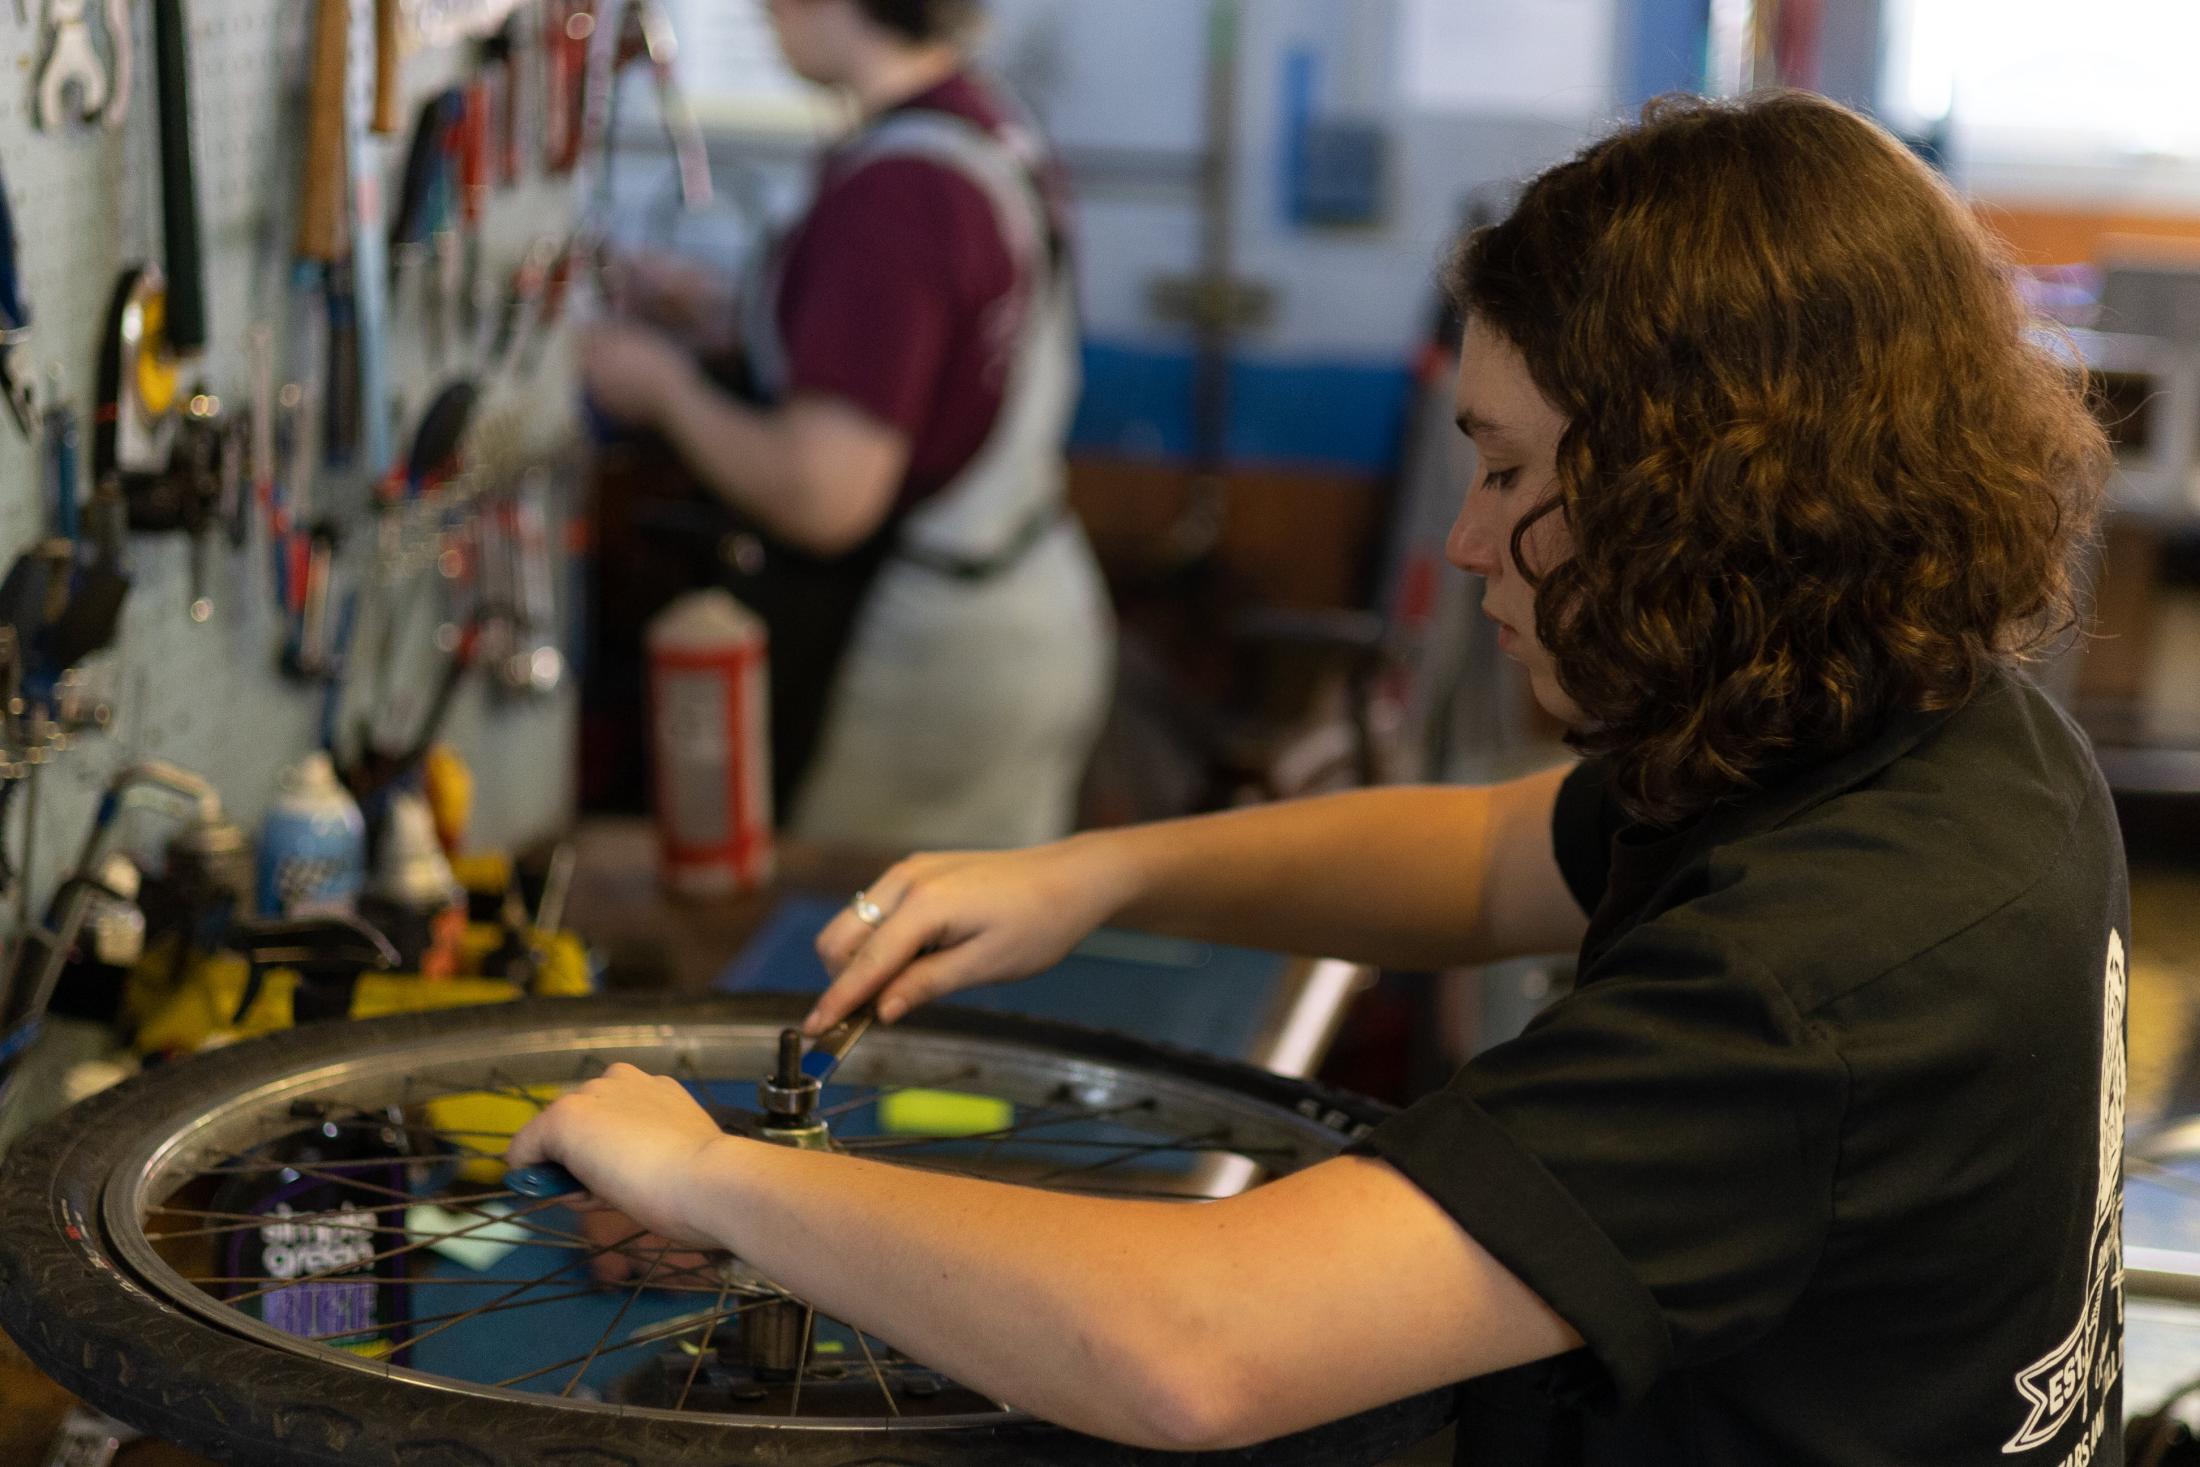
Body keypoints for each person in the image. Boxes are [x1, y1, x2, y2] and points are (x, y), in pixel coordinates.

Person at [515, 92, 2125, 1464]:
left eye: (1508, 471)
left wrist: (719, 1175)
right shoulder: (1939, 731)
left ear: (1697, 490)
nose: (1468, 537)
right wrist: (1099, 872)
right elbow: (1500, 857)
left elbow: (1197, 1345)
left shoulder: (1816, 973)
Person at [585, 0, 1112, 850]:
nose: (763, 11)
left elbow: (825, 495)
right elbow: (931, 351)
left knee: (867, 947)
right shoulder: (977, 128)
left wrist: (663, 388)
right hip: (1028, 594)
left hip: (933, 655)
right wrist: (726, 316)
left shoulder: (901, 193)